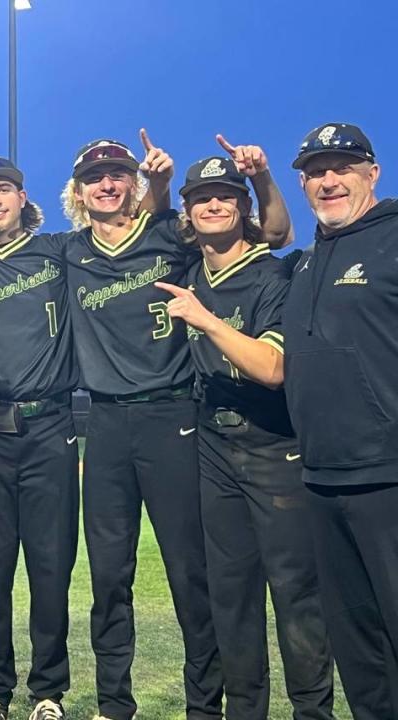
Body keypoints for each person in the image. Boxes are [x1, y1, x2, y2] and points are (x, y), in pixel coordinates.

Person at [156, 150, 334, 720]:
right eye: (202, 198)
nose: (213, 204)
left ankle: (313, 711)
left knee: (295, 592)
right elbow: (151, 220)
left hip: (274, 446)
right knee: (230, 595)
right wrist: (157, 183)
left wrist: (205, 319)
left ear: (242, 207)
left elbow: (273, 368)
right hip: (214, 445)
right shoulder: (188, 268)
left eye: (225, 196)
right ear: (189, 212)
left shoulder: (275, 272)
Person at [62, 134, 226, 720]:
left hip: (173, 416)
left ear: (132, 182)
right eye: (94, 177)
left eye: (117, 174)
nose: (106, 185)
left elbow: (272, 235)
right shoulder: (67, 252)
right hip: (105, 424)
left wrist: (163, 187)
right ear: (78, 191)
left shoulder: (169, 236)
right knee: (109, 577)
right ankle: (114, 705)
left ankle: (204, 706)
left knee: (190, 571)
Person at [0, 156, 79, 720]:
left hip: (51, 425)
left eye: (3, 188)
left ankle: (49, 691)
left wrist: (154, 188)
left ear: (22, 196)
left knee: (51, 565)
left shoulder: (59, 252)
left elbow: (124, 236)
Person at [283, 122, 398, 720]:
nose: (329, 180)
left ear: (372, 173)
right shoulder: (305, 262)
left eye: (343, 167)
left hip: (388, 477)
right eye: (315, 171)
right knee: (359, 650)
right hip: (323, 479)